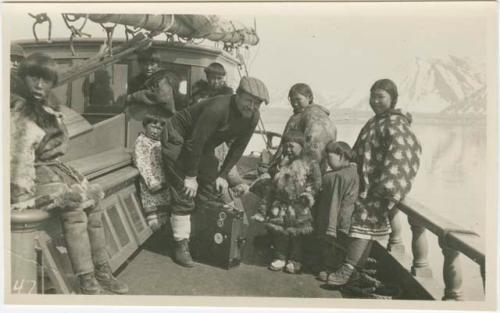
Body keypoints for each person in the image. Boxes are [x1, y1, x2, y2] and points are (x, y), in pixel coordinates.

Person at [10, 53, 128, 295]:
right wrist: (21, 199)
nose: (39, 85)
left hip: (55, 171)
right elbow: (19, 159)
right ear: (23, 77)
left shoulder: (47, 107)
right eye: (33, 77)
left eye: (46, 79)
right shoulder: (20, 111)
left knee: (94, 206)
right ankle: (86, 279)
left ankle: (103, 270)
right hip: (33, 176)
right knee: (74, 209)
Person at [161, 76, 269, 267]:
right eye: (249, 101)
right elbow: (195, 142)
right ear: (237, 95)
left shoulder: (253, 116)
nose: (252, 106)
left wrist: (223, 175)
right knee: (185, 191)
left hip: (203, 143)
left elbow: (239, 147)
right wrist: (191, 176)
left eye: (257, 103)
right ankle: (180, 243)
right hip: (179, 136)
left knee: (210, 188)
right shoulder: (218, 109)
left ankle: (199, 236)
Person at [326, 79, 422, 286]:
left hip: (379, 189)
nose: (375, 101)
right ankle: (354, 268)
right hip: (362, 186)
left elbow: (404, 155)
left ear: (393, 99)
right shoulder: (375, 121)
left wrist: (388, 188)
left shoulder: (397, 124)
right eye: (373, 96)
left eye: (381, 97)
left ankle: (350, 270)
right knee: (350, 219)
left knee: (363, 222)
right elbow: (358, 151)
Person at [252, 130, 322, 274]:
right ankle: (280, 257)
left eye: (292, 146)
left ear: (302, 147)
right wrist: (278, 167)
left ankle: (295, 259)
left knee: (296, 235)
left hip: (299, 206)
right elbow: (273, 181)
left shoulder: (310, 163)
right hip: (281, 205)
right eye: (286, 146)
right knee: (280, 233)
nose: (288, 149)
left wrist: (309, 194)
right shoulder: (283, 162)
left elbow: (316, 182)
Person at [269, 83, 337, 176]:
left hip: (304, 171)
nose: (295, 104)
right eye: (292, 100)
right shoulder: (300, 114)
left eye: (298, 99)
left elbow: (315, 149)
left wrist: (303, 171)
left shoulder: (315, 116)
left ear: (309, 97)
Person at [314, 141, 359, 281]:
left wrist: (331, 228)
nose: (327, 162)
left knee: (333, 245)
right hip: (345, 218)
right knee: (339, 246)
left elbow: (334, 201)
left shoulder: (339, 176)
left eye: (329, 158)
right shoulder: (352, 171)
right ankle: (331, 267)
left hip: (336, 219)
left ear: (341, 155)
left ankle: (329, 269)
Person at [133, 115, 171, 231]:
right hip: (151, 183)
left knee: (163, 211)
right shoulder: (141, 142)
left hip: (163, 181)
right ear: (145, 125)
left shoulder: (160, 142)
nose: (155, 131)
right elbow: (141, 162)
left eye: (159, 129)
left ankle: (163, 232)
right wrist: (152, 182)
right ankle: (154, 233)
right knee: (153, 213)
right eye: (153, 127)